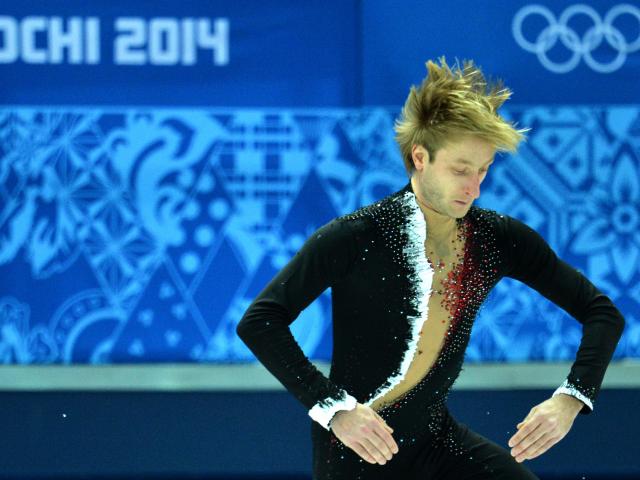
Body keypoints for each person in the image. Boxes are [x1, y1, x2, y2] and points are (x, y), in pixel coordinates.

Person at [236, 57, 625, 479]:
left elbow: (601, 312)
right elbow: (260, 321)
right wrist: (333, 407)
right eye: (460, 170)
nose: (474, 188)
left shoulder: (496, 239)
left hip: (437, 442)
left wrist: (570, 398)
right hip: (358, 454)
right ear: (420, 157)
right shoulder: (355, 237)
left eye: (483, 171)